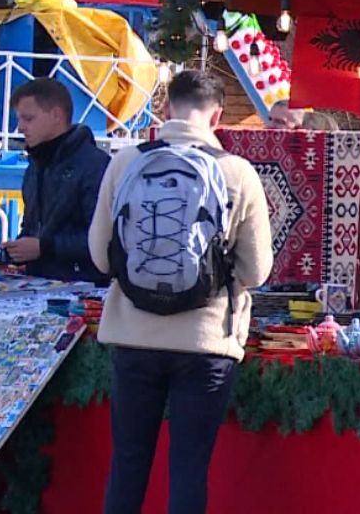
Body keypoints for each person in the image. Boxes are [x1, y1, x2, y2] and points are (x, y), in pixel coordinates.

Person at [89, 69, 272, 514]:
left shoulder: (125, 161)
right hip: (205, 342)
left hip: (134, 335)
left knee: (128, 463)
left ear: (166, 108)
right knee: (188, 467)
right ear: (218, 117)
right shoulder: (237, 172)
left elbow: (99, 254)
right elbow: (257, 270)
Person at [0, 77, 109, 283]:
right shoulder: (36, 165)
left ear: (55, 115)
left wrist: (43, 247)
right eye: (20, 119)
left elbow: (104, 240)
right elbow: (32, 229)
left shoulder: (95, 166)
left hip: (84, 290)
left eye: (28, 119)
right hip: (40, 284)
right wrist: (10, 254)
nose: (20, 128)